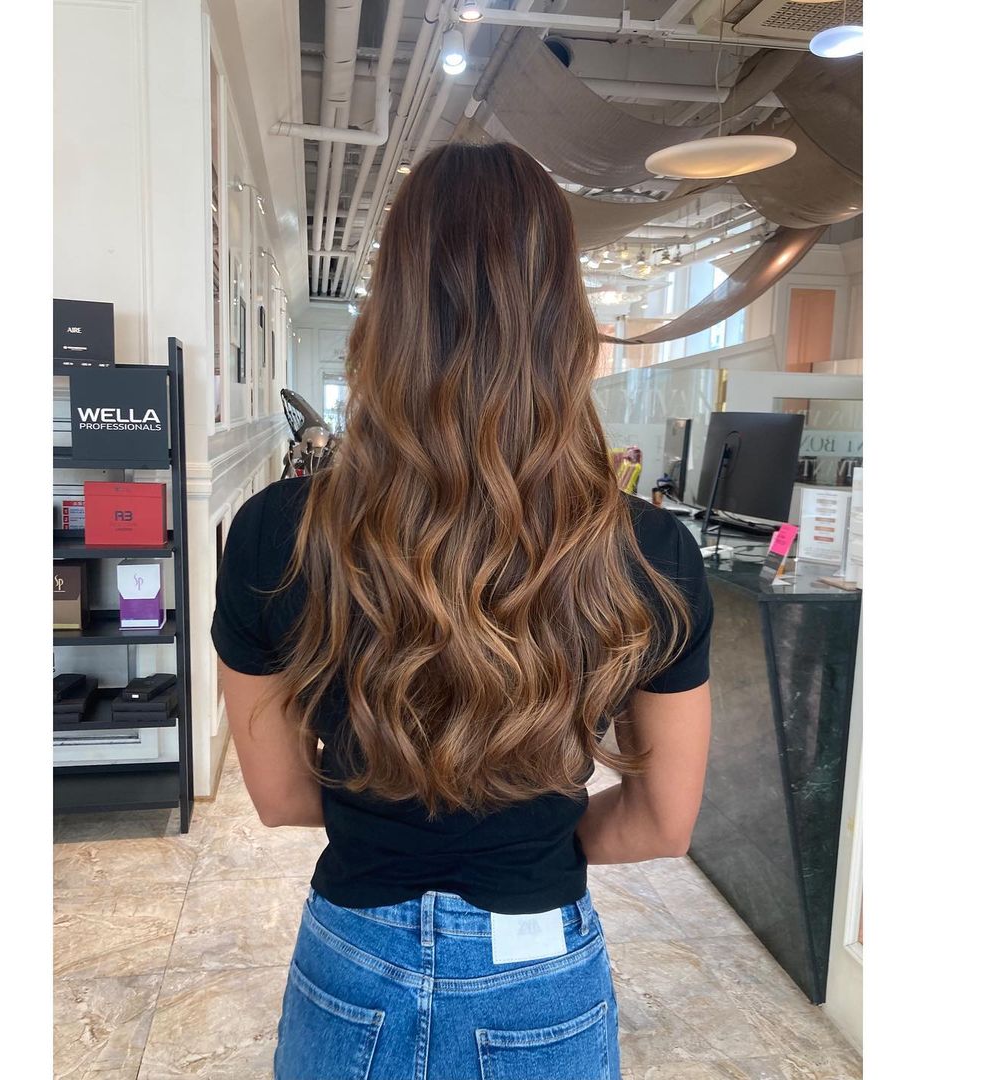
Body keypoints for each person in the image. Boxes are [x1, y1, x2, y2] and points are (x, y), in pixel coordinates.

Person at [211, 141, 713, 1080]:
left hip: (351, 957)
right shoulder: (650, 551)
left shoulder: (277, 532)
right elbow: (662, 823)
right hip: (541, 969)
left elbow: (279, 797)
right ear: (565, 320)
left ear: (388, 315)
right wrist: (527, 846)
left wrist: (391, 831)